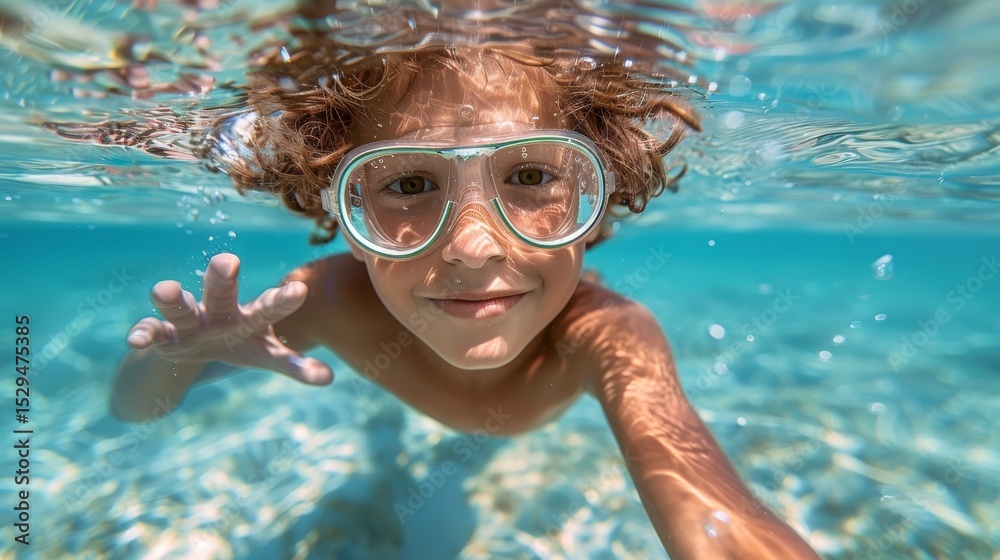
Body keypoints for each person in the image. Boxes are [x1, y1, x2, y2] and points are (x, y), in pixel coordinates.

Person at [110, 43, 819, 559]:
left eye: (532, 175)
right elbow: (133, 409)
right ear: (349, 219)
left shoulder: (609, 335)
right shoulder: (322, 299)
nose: (472, 247)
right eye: (409, 185)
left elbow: (718, 523)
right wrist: (178, 362)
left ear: (595, 206)